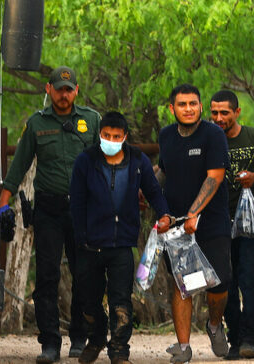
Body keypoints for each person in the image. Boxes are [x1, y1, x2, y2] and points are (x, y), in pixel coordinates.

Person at [0, 66, 100, 363]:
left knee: (84, 275)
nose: (64, 95)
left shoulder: (91, 121)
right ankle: (50, 343)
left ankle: (79, 337)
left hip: (83, 211)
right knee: (46, 276)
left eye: (69, 89)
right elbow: (18, 166)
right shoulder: (37, 123)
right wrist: (2, 203)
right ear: (48, 89)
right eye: (59, 89)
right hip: (49, 211)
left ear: (76, 91)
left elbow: (107, 163)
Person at [69, 112, 171, 364]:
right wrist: (80, 237)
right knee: (87, 300)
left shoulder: (137, 160)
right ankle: (96, 338)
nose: (111, 140)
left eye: (116, 136)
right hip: (90, 244)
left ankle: (119, 350)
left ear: (124, 137)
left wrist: (165, 213)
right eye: (106, 135)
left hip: (123, 243)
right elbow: (77, 202)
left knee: (121, 301)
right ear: (99, 134)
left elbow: (153, 190)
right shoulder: (86, 160)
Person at [156, 84, 232, 364]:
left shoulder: (213, 134)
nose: (188, 108)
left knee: (219, 284)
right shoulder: (166, 136)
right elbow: (163, 171)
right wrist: (146, 190)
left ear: (200, 106)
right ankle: (184, 347)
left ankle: (214, 325)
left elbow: (215, 176)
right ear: (172, 108)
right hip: (176, 226)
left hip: (211, 222)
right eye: (182, 104)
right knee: (182, 284)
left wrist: (194, 213)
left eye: (193, 103)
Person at [210, 90, 254, 360]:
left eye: (225, 112)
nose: (219, 118)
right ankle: (234, 338)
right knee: (226, 282)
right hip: (218, 222)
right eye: (214, 113)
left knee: (249, 279)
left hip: (249, 222)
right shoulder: (209, 138)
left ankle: (249, 339)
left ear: (237, 112)